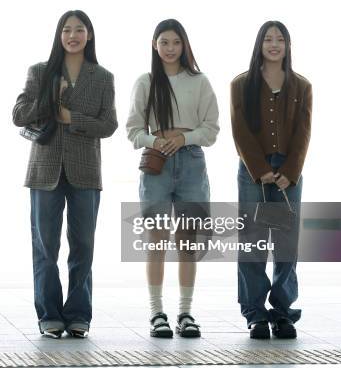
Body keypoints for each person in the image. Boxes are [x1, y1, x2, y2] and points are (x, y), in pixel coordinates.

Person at [13, 10, 117, 339]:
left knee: (83, 245)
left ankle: (78, 315)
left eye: (79, 29)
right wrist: (48, 103)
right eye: (67, 30)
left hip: (86, 171)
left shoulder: (102, 77)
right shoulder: (40, 72)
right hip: (44, 171)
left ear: (89, 35)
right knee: (45, 247)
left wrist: (72, 117)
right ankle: (49, 315)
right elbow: (18, 114)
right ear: (59, 36)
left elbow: (109, 124)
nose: (73, 35)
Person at [126, 19, 219, 338]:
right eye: (163, 42)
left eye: (175, 42)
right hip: (156, 164)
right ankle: (156, 314)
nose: (169, 48)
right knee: (157, 241)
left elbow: (211, 130)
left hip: (192, 163)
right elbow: (133, 130)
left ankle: (186, 313)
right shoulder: (145, 82)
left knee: (187, 244)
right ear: (154, 45)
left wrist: (184, 139)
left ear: (185, 45)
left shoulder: (200, 81)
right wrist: (156, 142)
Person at [230, 21, 312, 339]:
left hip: (288, 175)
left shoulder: (301, 85)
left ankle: (281, 312)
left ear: (288, 45)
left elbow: (304, 132)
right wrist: (259, 169)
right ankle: (255, 314)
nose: (274, 44)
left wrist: (289, 173)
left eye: (280, 39)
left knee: (285, 245)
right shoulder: (241, 84)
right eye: (268, 38)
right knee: (253, 243)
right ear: (259, 44)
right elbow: (240, 130)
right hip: (254, 174)